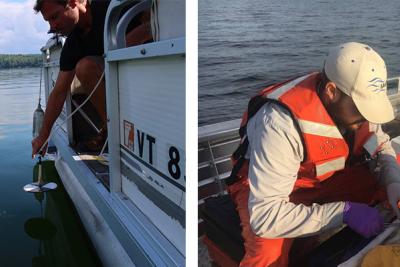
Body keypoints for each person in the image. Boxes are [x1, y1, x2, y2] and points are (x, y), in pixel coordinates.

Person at [227, 42, 400, 266]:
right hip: (270, 191)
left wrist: (393, 182)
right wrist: (343, 212)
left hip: (324, 178)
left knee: (392, 172)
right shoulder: (279, 123)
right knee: (267, 255)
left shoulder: (356, 111)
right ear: (331, 92)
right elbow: (265, 216)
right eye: (361, 109)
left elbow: (380, 147)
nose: (368, 118)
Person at [31, 0, 152, 157]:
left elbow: (153, 17)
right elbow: (59, 92)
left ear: (74, 2)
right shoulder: (74, 44)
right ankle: (112, 131)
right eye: (48, 21)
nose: (52, 27)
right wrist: (43, 135)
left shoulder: (110, 5)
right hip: (121, 89)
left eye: (55, 17)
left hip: (148, 78)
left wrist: (127, 44)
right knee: (85, 67)